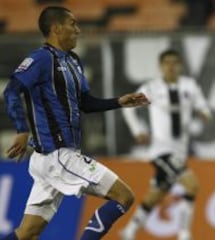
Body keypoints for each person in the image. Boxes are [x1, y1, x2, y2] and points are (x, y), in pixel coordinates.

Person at [1, 6, 150, 240]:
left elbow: (86, 103)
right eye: (73, 24)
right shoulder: (40, 59)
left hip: (51, 159)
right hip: (58, 156)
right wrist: (21, 129)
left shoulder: (73, 61)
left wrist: (119, 102)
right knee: (124, 196)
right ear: (56, 28)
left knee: (27, 232)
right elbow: (11, 91)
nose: (78, 30)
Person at [120, 49, 211, 240]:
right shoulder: (152, 88)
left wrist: (204, 113)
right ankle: (184, 234)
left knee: (157, 193)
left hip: (180, 151)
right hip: (160, 150)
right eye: (167, 63)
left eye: (174, 62)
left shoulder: (190, 86)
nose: (171, 66)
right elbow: (128, 107)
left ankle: (129, 231)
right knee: (192, 185)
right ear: (160, 66)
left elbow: (203, 106)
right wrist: (138, 130)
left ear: (180, 65)